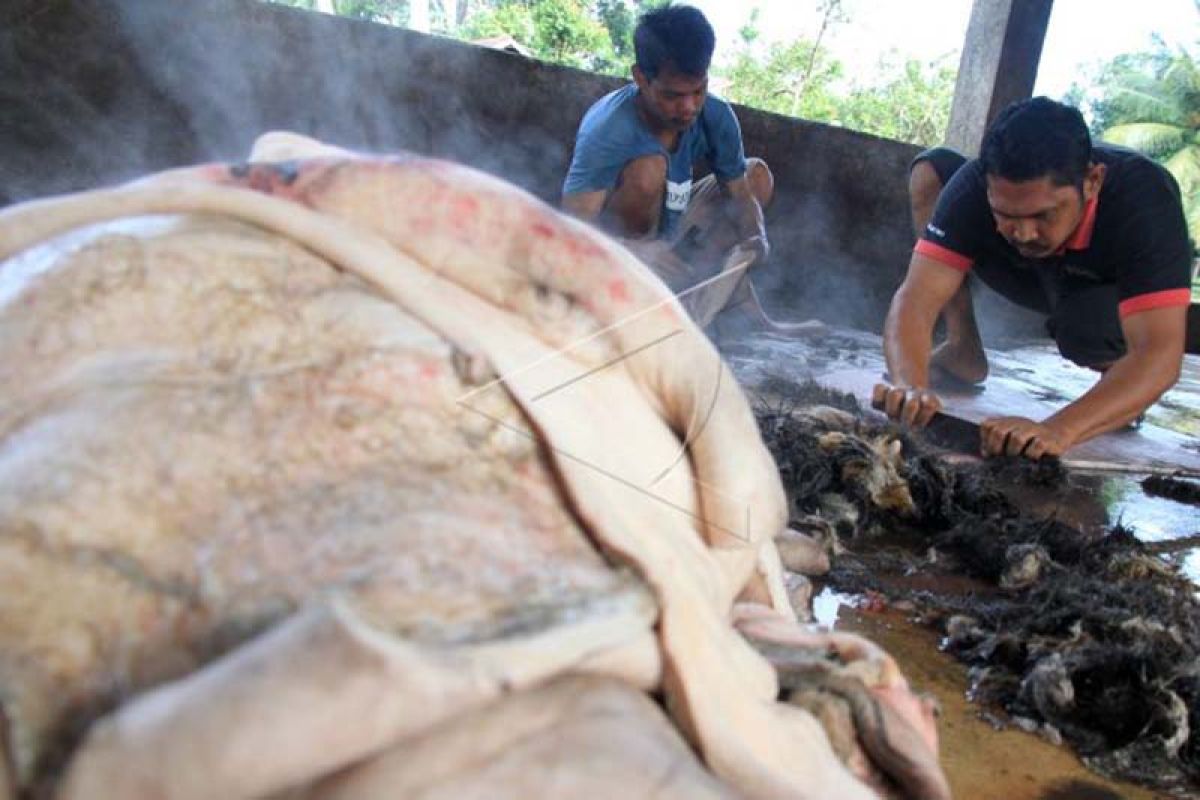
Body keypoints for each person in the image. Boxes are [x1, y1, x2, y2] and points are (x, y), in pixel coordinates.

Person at [876, 97, 1192, 460]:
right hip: (1026, 275)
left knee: (1084, 327)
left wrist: (1056, 430)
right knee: (932, 170)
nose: (1023, 233)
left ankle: (1121, 392)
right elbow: (915, 300)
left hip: (1097, 293)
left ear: (1092, 181)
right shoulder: (974, 187)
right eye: (1005, 214)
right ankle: (963, 346)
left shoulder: (1145, 200)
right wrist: (909, 385)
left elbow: (1159, 353)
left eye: (1043, 215)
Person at [561, 4, 809, 332]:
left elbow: (741, 196)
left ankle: (692, 298)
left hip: (673, 228)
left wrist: (756, 237)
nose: (689, 106)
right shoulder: (608, 128)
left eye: (698, 90)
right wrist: (634, 250)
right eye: (673, 95)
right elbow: (570, 227)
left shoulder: (716, 117)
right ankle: (639, 294)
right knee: (648, 170)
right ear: (640, 78)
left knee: (755, 175)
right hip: (618, 250)